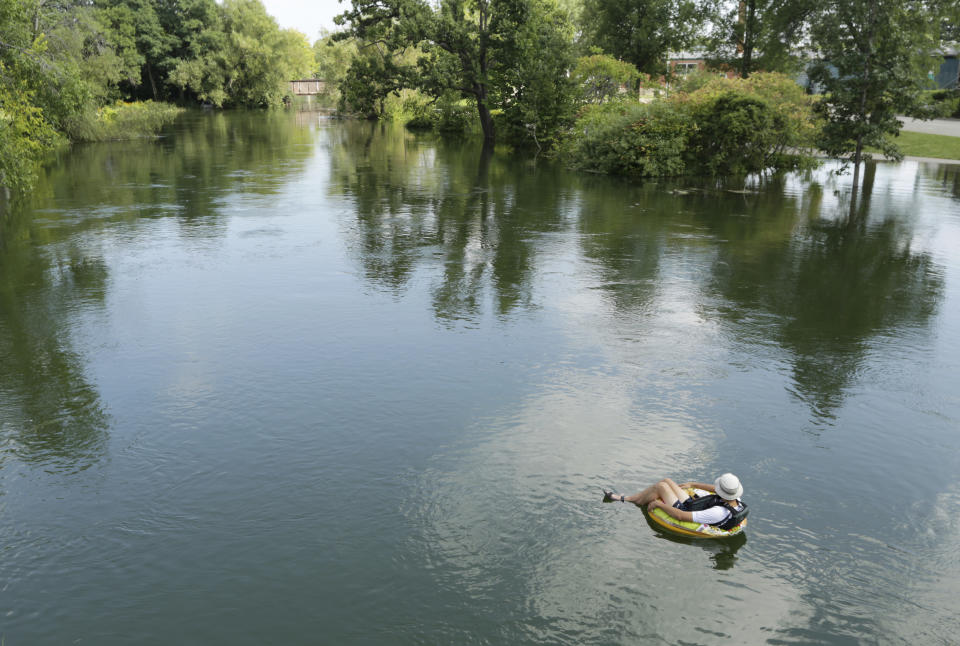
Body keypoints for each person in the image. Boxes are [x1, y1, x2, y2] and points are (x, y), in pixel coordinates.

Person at [603, 473, 747, 530]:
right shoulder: (735, 499)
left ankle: (628, 499)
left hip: (686, 510)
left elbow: (681, 516)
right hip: (696, 505)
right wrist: (693, 484)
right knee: (667, 481)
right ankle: (632, 498)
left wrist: (658, 504)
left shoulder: (717, 513)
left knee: (661, 487)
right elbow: (713, 488)